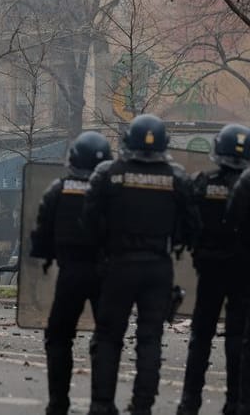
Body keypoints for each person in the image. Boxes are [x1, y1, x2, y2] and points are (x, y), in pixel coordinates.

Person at [82, 114, 200, 415]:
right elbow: (193, 225)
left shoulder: (108, 173)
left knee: (108, 337)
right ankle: (143, 405)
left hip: (118, 264)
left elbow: (89, 220)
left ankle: (102, 404)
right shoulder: (176, 177)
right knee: (150, 339)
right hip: (158, 266)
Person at [29, 131, 112, 415]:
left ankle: (58, 403)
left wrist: (45, 256)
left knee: (59, 336)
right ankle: (102, 404)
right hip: (106, 273)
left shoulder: (58, 189)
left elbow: (42, 232)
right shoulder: (111, 190)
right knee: (107, 338)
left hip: (71, 273)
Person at [185, 124, 250, 414]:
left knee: (201, 336)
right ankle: (234, 403)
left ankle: (190, 403)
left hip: (209, 269)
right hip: (242, 269)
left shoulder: (202, 181)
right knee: (237, 337)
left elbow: (188, 222)